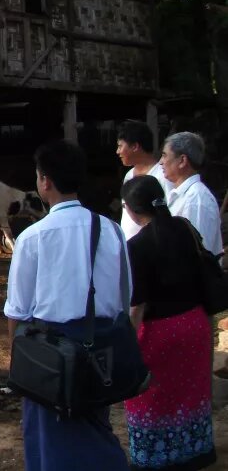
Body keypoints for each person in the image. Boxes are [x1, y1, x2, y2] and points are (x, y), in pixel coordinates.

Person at [5, 140, 129, 470]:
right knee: (95, 427)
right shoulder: (112, 231)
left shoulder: (33, 236)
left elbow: (17, 311)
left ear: (44, 181)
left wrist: (21, 366)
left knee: (51, 440)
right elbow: (123, 298)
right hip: (102, 347)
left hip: (51, 353)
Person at [121, 175, 216, 471]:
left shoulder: (137, 245)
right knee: (190, 393)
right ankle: (195, 451)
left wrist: (126, 346)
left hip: (160, 333)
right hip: (195, 325)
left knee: (150, 399)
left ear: (130, 209)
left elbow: (138, 305)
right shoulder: (185, 228)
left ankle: (155, 458)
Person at [160, 132, 223, 259]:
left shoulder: (196, 199)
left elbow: (199, 252)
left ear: (182, 161)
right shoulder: (183, 195)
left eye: (164, 155)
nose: (161, 162)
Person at [116, 120, 172, 240]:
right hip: (130, 245)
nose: (118, 151)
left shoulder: (162, 175)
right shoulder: (129, 176)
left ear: (135, 146)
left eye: (120, 146)